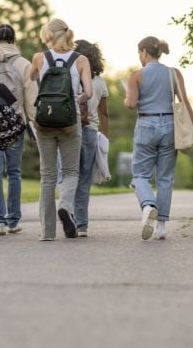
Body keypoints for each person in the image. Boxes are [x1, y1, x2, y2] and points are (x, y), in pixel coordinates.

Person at [125, 36, 193, 241]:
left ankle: (148, 205)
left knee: (140, 175)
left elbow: (132, 104)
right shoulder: (173, 73)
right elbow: (185, 103)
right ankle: (161, 228)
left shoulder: (137, 76)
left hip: (146, 125)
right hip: (170, 127)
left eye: (139, 53)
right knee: (165, 178)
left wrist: (127, 98)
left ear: (143, 52)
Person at [30, 18, 92, 240]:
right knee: (71, 172)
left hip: (43, 121)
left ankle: (47, 233)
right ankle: (65, 205)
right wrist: (77, 97)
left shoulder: (39, 57)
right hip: (69, 120)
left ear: (48, 36)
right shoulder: (81, 59)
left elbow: (31, 77)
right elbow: (90, 93)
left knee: (47, 176)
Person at [0, 24, 37, 236]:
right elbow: (31, 98)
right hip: (16, 123)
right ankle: (14, 220)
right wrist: (34, 124)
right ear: (14, 40)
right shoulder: (24, 64)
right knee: (14, 172)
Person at [73, 39, 110, 238]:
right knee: (84, 178)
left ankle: (68, 212)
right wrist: (105, 138)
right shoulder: (99, 82)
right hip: (90, 132)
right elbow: (104, 114)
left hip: (69, 129)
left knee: (69, 174)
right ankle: (82, 225)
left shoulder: (71, 77)